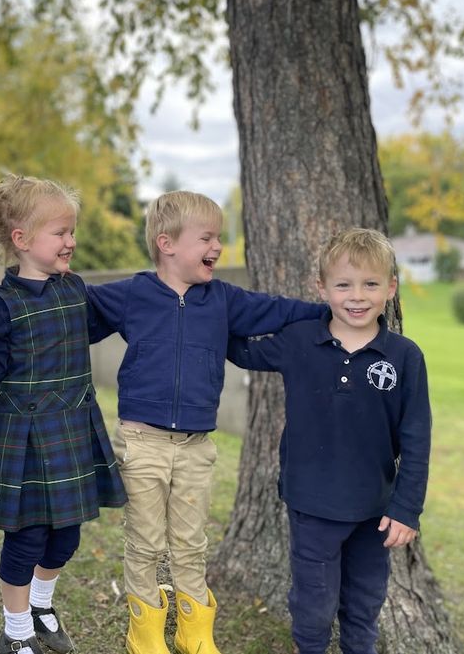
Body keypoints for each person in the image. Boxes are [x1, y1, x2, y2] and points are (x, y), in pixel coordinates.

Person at [85, 191, 325, 654]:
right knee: (145, 542)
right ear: (167, 244)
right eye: (207, 238)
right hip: (141, 442)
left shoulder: (223, 300)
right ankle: (145, 634)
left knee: (190, 543)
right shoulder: (133, 294)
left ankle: (194, 633)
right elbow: (72, 309)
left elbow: (276, 309)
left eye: (218, 238)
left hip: (196, 447)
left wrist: (332, 310)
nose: (217, 246)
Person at [227, 227, 431, 654]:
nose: (357, 296)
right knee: (314, 606)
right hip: (312, 505)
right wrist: (206, 308)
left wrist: (406, 508)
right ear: (321, 288)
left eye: (371, 284)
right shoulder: (299, 340)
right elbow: (240, 350)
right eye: (343, 285)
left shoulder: (405, 356)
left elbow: (417, 437)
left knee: (365, 603)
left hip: (375, 510)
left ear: (391, 288)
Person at [0, 175, 127, 654]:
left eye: (72, 231)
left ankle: (41, 608)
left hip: (71, 430)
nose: (71, 241)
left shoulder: (76, 289)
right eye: (60, 233)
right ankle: (15, 630)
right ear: (22, 240)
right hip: (24, 438)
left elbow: (87, 331)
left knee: (66, 537)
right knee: (27, 539)